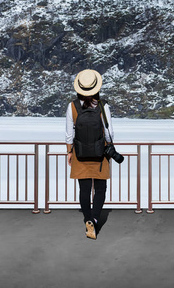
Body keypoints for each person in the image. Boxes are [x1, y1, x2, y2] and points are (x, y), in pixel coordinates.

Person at [65, 69, 114, 240]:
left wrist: (69, 151)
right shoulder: (103, 105)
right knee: (100, 189)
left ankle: (87, 219)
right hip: (100, 154)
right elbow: (109, 132)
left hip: (79, 152)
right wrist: (109, 147)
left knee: (84, 190)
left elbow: (69, 133)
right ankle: (94, 218)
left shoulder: (72, 106)